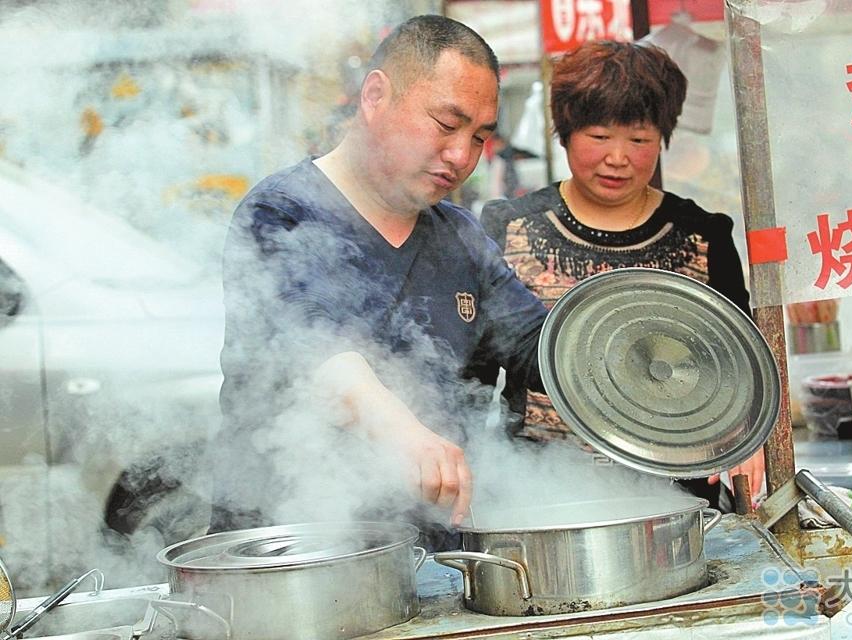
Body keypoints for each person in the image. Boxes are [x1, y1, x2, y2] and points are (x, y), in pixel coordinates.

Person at [213, 15, 547, 541]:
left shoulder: (460, 237)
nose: (461, 155)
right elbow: (315, 350)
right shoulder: (281, 212)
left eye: (479, 136)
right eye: (445, 124)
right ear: (375, 96)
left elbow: (544, 349)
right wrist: (404, 432)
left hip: (433, 561)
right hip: (295, 554)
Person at [481, 40, 765, 508]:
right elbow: (473, 374)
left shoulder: (702, 235)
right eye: (598, 136)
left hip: (677, 497)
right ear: (566, 132)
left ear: (663, 139)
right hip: (538, 495)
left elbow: (741, 367)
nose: (618, 157)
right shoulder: (508, 229)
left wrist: (746, 441)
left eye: (639, 139)